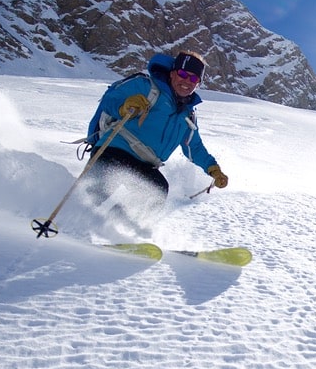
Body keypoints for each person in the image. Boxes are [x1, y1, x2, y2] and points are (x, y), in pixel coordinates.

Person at [83, 50, 228, 235]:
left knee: (158, 190)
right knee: (95, 193)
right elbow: (110, 99)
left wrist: (213, 169)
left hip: (146, 164)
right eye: (183, 74)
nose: (186, 81)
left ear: (198, 84)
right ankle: (73, 225)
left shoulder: (187, 115)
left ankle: (132, 233)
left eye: (193, 79)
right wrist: (125, 105)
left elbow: (194, 147)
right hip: (113, 150)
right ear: (172, 73)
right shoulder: (146, 86)